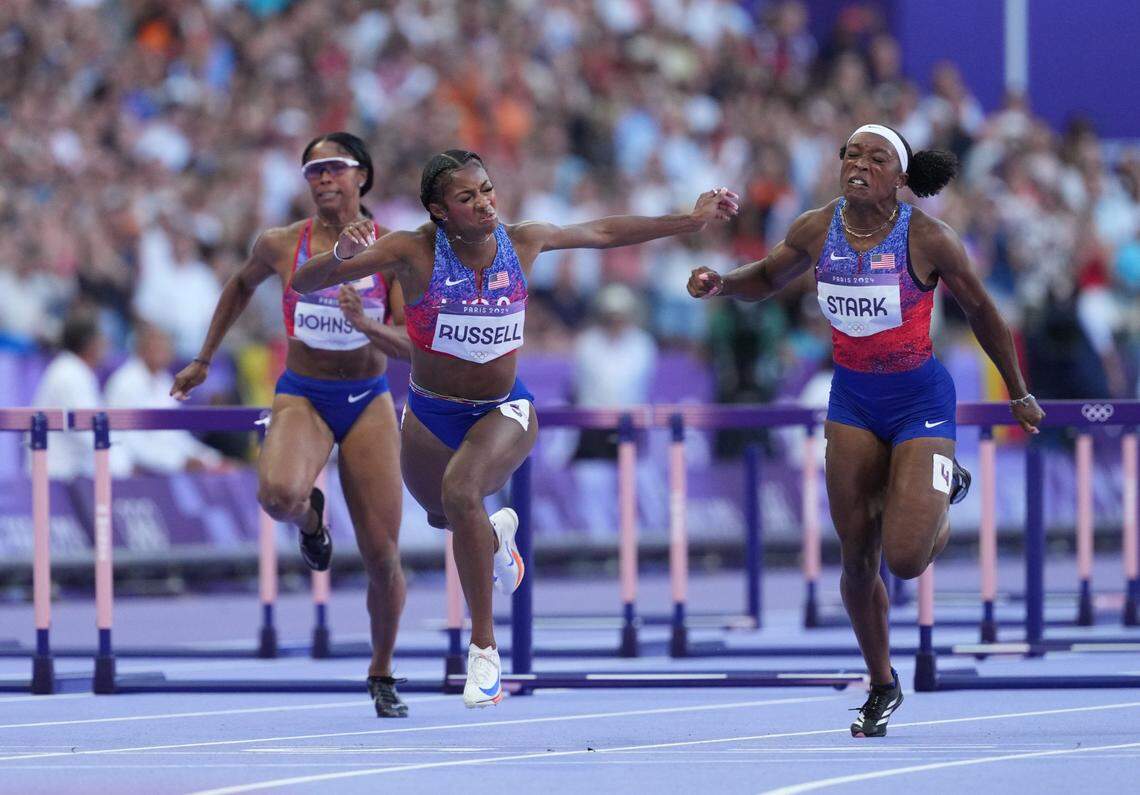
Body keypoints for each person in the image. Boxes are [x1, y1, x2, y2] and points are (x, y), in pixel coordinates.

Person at [291, 149, 739, 708]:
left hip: (504, 409)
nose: (483, 204)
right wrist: (339, 253)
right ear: (438, 211)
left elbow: (602, 230)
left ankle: (483, 649)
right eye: (467, 197)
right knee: (445, 514)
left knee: (460, 491)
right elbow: (306, 282)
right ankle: (498, 535)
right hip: (430, 411)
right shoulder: (410, 250)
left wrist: (689, 220)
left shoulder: (522, 240)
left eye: (487, 190)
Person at [688, 124, 1045, 737]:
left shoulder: (929, 238)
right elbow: (769, 276)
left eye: (876, 158)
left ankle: (940, 488)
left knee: (903, 558)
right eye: (851, 154)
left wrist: (1017, 390)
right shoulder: (815, 226)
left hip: (920, 401)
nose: (859, 164)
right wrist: (722, 283)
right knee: (857, 561)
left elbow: (983, 311)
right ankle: (882, 682)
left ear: (900, 177)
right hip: (853, 399)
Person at [169, 132, 412, 718]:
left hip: (368, 397)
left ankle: (381, 670)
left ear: (363, 178)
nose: (323, 178)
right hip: (303, 391)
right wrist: (204, 358)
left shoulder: (396, 250)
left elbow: (408, 345)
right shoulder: (282, 243)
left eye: (334, 168)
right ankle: (311, 519)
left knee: (382, 557)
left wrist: (367, 325)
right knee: (277, 496)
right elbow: (239, 285)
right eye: (312, 171)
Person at [106, 322, 228, 474]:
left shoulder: (165, 381)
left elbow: (175, 434)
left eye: (166, 347)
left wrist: (211, 459)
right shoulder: (125, 383)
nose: (163, 352)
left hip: (168, 466)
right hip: (132, 470)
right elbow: (127, 440)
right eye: (157, 346)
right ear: (141, 348)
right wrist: (178, 462)